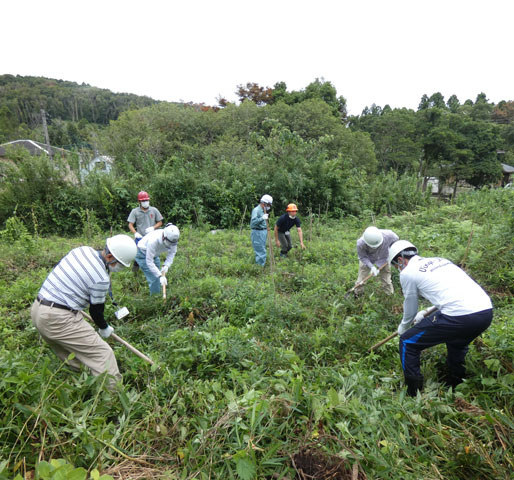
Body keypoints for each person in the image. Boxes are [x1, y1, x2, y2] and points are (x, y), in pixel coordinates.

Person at [31, 234, 137, 390]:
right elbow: (96, 311)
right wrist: (104, 328)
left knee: (73, 356)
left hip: (38, 310)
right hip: (58, 318)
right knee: (103, 354)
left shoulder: (82, 250)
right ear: (109, 256)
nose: (119, 268)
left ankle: (86, 385)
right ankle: (113, 399)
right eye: (120, 264)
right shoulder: (101, 278)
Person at [388, 240, 493, 396]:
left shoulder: (407, 272)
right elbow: (451, 293)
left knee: (408, 342)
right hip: (484, 312)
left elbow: (410, 306)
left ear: (401, 260)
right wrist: (425, 312)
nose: (398, 269)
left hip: (460, 317)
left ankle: (413, 393)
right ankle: (456, 384)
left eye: (396, 266)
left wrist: (404, 327)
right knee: (457, 342)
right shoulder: (441, 261)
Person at [136, 223, 179, 295]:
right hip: (143, 253)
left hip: (155, 254)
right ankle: (155, 300)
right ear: (164, 237)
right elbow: (149, 261)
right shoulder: (153, 241)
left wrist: (166, 265)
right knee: (154, 279)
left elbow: (172, 252)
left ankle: (157, 294)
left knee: (157, 276)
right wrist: (160, 276)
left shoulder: (173, 239)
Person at [355, 226, 399, 295]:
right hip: (368, 259)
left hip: (384, 258)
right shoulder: (360, 243)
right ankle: (358, 294)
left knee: (386, 279)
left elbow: (396, 242)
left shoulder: (389, 235)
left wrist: (391, 253)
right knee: (361, 279)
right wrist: (371, 266)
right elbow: (363, 257)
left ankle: (389, 295)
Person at [127, 191, 163, 270]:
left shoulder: (154, 210)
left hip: (152, 237)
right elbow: (130, 224)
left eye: (146, 200)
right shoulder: (135, 211)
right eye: (143, 201)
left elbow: (160, 222)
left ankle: (154, 271)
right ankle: (135, 272)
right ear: (139, 201)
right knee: (138, 255)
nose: (145, 202)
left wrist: (153, 227)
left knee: (153, 254)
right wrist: (135, 233)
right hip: (140, 237)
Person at [250, 194, 272, 266]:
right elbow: (253, 223)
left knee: (262, 248)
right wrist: (262, 218)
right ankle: (259, 268)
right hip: (257, 232)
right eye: (268, 205)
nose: (269, 206)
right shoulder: (256, 210)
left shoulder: (263, 210)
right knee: (260, 250)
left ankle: (261, 265)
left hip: (263, 231)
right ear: (264, 203)